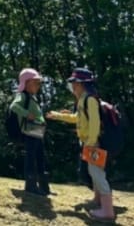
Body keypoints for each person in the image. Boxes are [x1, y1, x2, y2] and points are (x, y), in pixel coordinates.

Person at [46, 68, 115, 222]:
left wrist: (91, 143)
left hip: (94, 143)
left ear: (81, 84)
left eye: (74, 82)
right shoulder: (83, 100)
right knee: (94, 172)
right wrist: (58, 115)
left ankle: (107, 211)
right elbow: (78, 118)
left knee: (97, 174)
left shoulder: (89, 99)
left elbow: (95, 123)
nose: (72, 86)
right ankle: (98, 202)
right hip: (91, 142)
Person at [10, 68, 52, 196]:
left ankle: (44, 187)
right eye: (36, 83)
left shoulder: (33, 98)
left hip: (37, 132)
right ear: (27, 83)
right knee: (31, 158)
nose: (38, 86)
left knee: (40, 158)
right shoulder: (22, 96)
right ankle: (31, 185)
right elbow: (14, 106)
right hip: (29, 133)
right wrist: (27, 114)